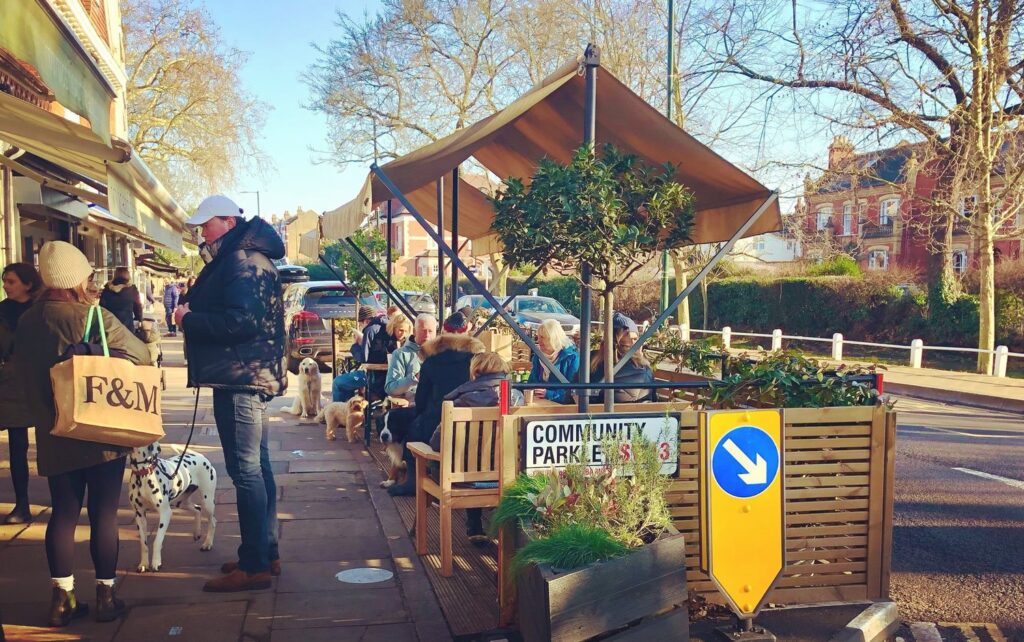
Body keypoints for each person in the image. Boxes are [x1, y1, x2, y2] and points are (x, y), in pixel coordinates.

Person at [11, 241, 150, 626]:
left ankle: (62, 599)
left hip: (54, 431)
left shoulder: (27, 321)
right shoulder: (94, 318)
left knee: (63, 514)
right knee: (104, 514)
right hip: (101, 429)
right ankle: (106, 595)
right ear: (76, 278)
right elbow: (142, 354)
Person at [173, 195, 286, 592]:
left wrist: (189, 318)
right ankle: (263, 552)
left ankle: (254, 564)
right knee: (258, 468)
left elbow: (241, 322)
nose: (201, 233)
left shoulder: (241, 259)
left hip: (242, 376)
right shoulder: (246, 255)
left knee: (247, 471)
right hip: (246, 373)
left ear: (226, 221)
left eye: (206, 225)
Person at [388, 311, 484, 497]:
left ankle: (414, 482)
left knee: (412, 429)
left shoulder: (431, 361)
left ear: (442, 333)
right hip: (473, 428)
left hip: (437, 428)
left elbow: (421, 401)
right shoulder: (477, 360)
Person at [432, 351, 524, 542]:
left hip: (465, 478)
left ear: (475, 372)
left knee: (466, 460)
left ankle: (474, 526)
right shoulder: (517, 398)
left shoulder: (459, 400)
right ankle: (501, 531)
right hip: (508, 476)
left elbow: (436, 443)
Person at [0, 263, 43, 524]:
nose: (6, 285)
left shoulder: (41, 310)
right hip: (11, 385)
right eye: (5, 281)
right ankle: (22, 504)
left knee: (54, 444)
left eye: (11, 281)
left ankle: (66, 499)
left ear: (28, 284)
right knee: (18, 447)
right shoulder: (1, 311)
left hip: (40, 382)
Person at [590, 312, 654, 403]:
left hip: (597, 415)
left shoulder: (592, 363)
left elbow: (573, 397)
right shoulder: (645, 368)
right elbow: (652, 399)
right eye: (632, 339)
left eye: (635, 339)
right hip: (641, 415)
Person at [331, 306, 390, 402]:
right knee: (347, 382)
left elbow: (363, 358)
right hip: (384, 376)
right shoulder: (385, 327)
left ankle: (339, 412)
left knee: (338, 382)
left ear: (366, 321)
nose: (361, 326)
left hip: (373, 377)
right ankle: (349, 411)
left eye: (361, 323)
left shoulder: (370, 330)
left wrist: (355, 345)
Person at [527, 318, 580, 404]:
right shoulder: (538, 356)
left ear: (553, 338)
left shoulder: (572, 358)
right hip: (540, 404)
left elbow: (573, 392)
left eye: (543, 337)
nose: (538, 340)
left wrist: (549, 394)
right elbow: (531, 383)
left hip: (562, 409)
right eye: (538, 337)